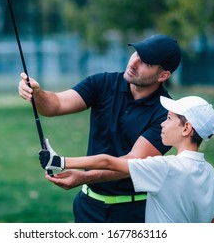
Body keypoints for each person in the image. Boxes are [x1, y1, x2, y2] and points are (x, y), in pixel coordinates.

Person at [19, 34, 181, 223]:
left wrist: (84, 177)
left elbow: (130, 165)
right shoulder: (102, 83)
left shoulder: (167, 114)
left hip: (134, 211)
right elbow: (56, 105)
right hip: (88, 206)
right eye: (136, 53)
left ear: (163, 75)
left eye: (146, 62)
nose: (134, 62)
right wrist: (37, 93)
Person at [39, 95, 214, 223]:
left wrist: (59, 161)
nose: (162, 124)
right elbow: (213, 219)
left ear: (186, 128)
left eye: (169, 118)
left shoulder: (165, 168)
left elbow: (107, 162)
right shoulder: (210, 172)